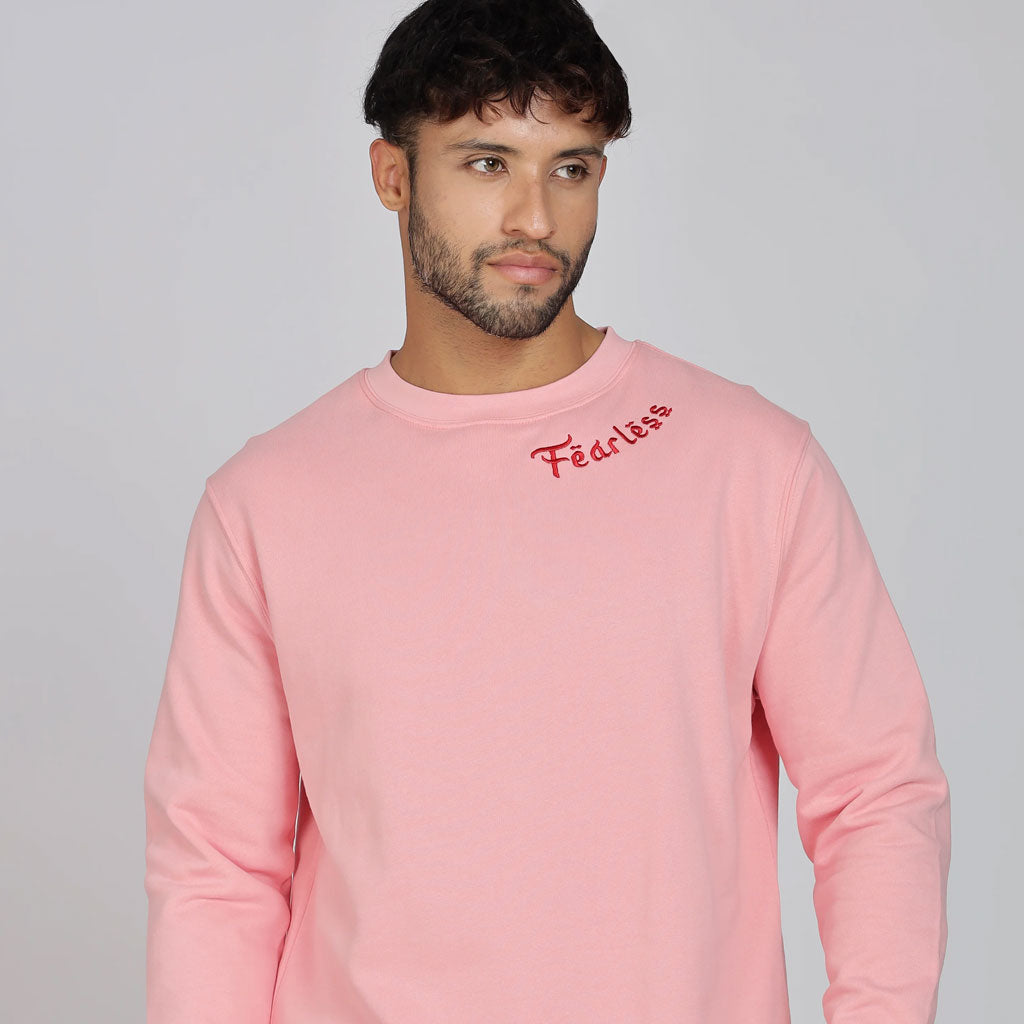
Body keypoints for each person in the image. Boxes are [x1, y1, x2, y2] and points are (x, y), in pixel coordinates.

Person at [142, 1, 951, 1021]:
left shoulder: (748, 464)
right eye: (487, 163)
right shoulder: (266, 502)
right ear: (392, 175)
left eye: (570, 167)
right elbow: (216, 871)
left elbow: (877, 793)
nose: (535, 217)